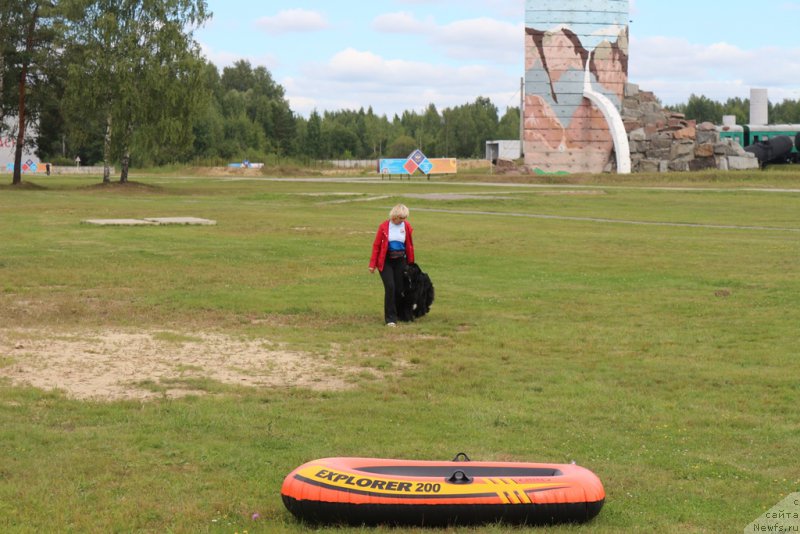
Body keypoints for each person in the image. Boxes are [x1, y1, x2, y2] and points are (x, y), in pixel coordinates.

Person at [369, 204, 415, 327]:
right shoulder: (384, 226)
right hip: (386, 261)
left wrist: (411, 263)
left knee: (399, 289)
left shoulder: (407, 227)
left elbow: (409, 245)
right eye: (401, 218)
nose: (403, 220)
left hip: (400, 261)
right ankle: (390, 319)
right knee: (390, 287)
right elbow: (376, 246)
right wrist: (372, 264)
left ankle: (400, 313)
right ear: (394, 216)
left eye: (404, 218)